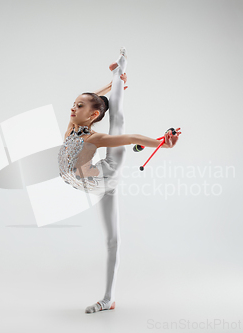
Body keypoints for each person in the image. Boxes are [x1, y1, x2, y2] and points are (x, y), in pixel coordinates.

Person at [57, 47, 181, 314]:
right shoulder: (71, 127)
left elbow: (133, 136)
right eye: (74, 102)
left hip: (109, 172)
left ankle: (120, 68)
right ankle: (108, 299)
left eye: (78, 105)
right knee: (112, 239)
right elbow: (98, 102)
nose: (72, 107)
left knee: (119, 121)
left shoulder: (93, 137)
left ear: (91, 116)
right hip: (97, 185)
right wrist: (115, 86)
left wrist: (163, 144)